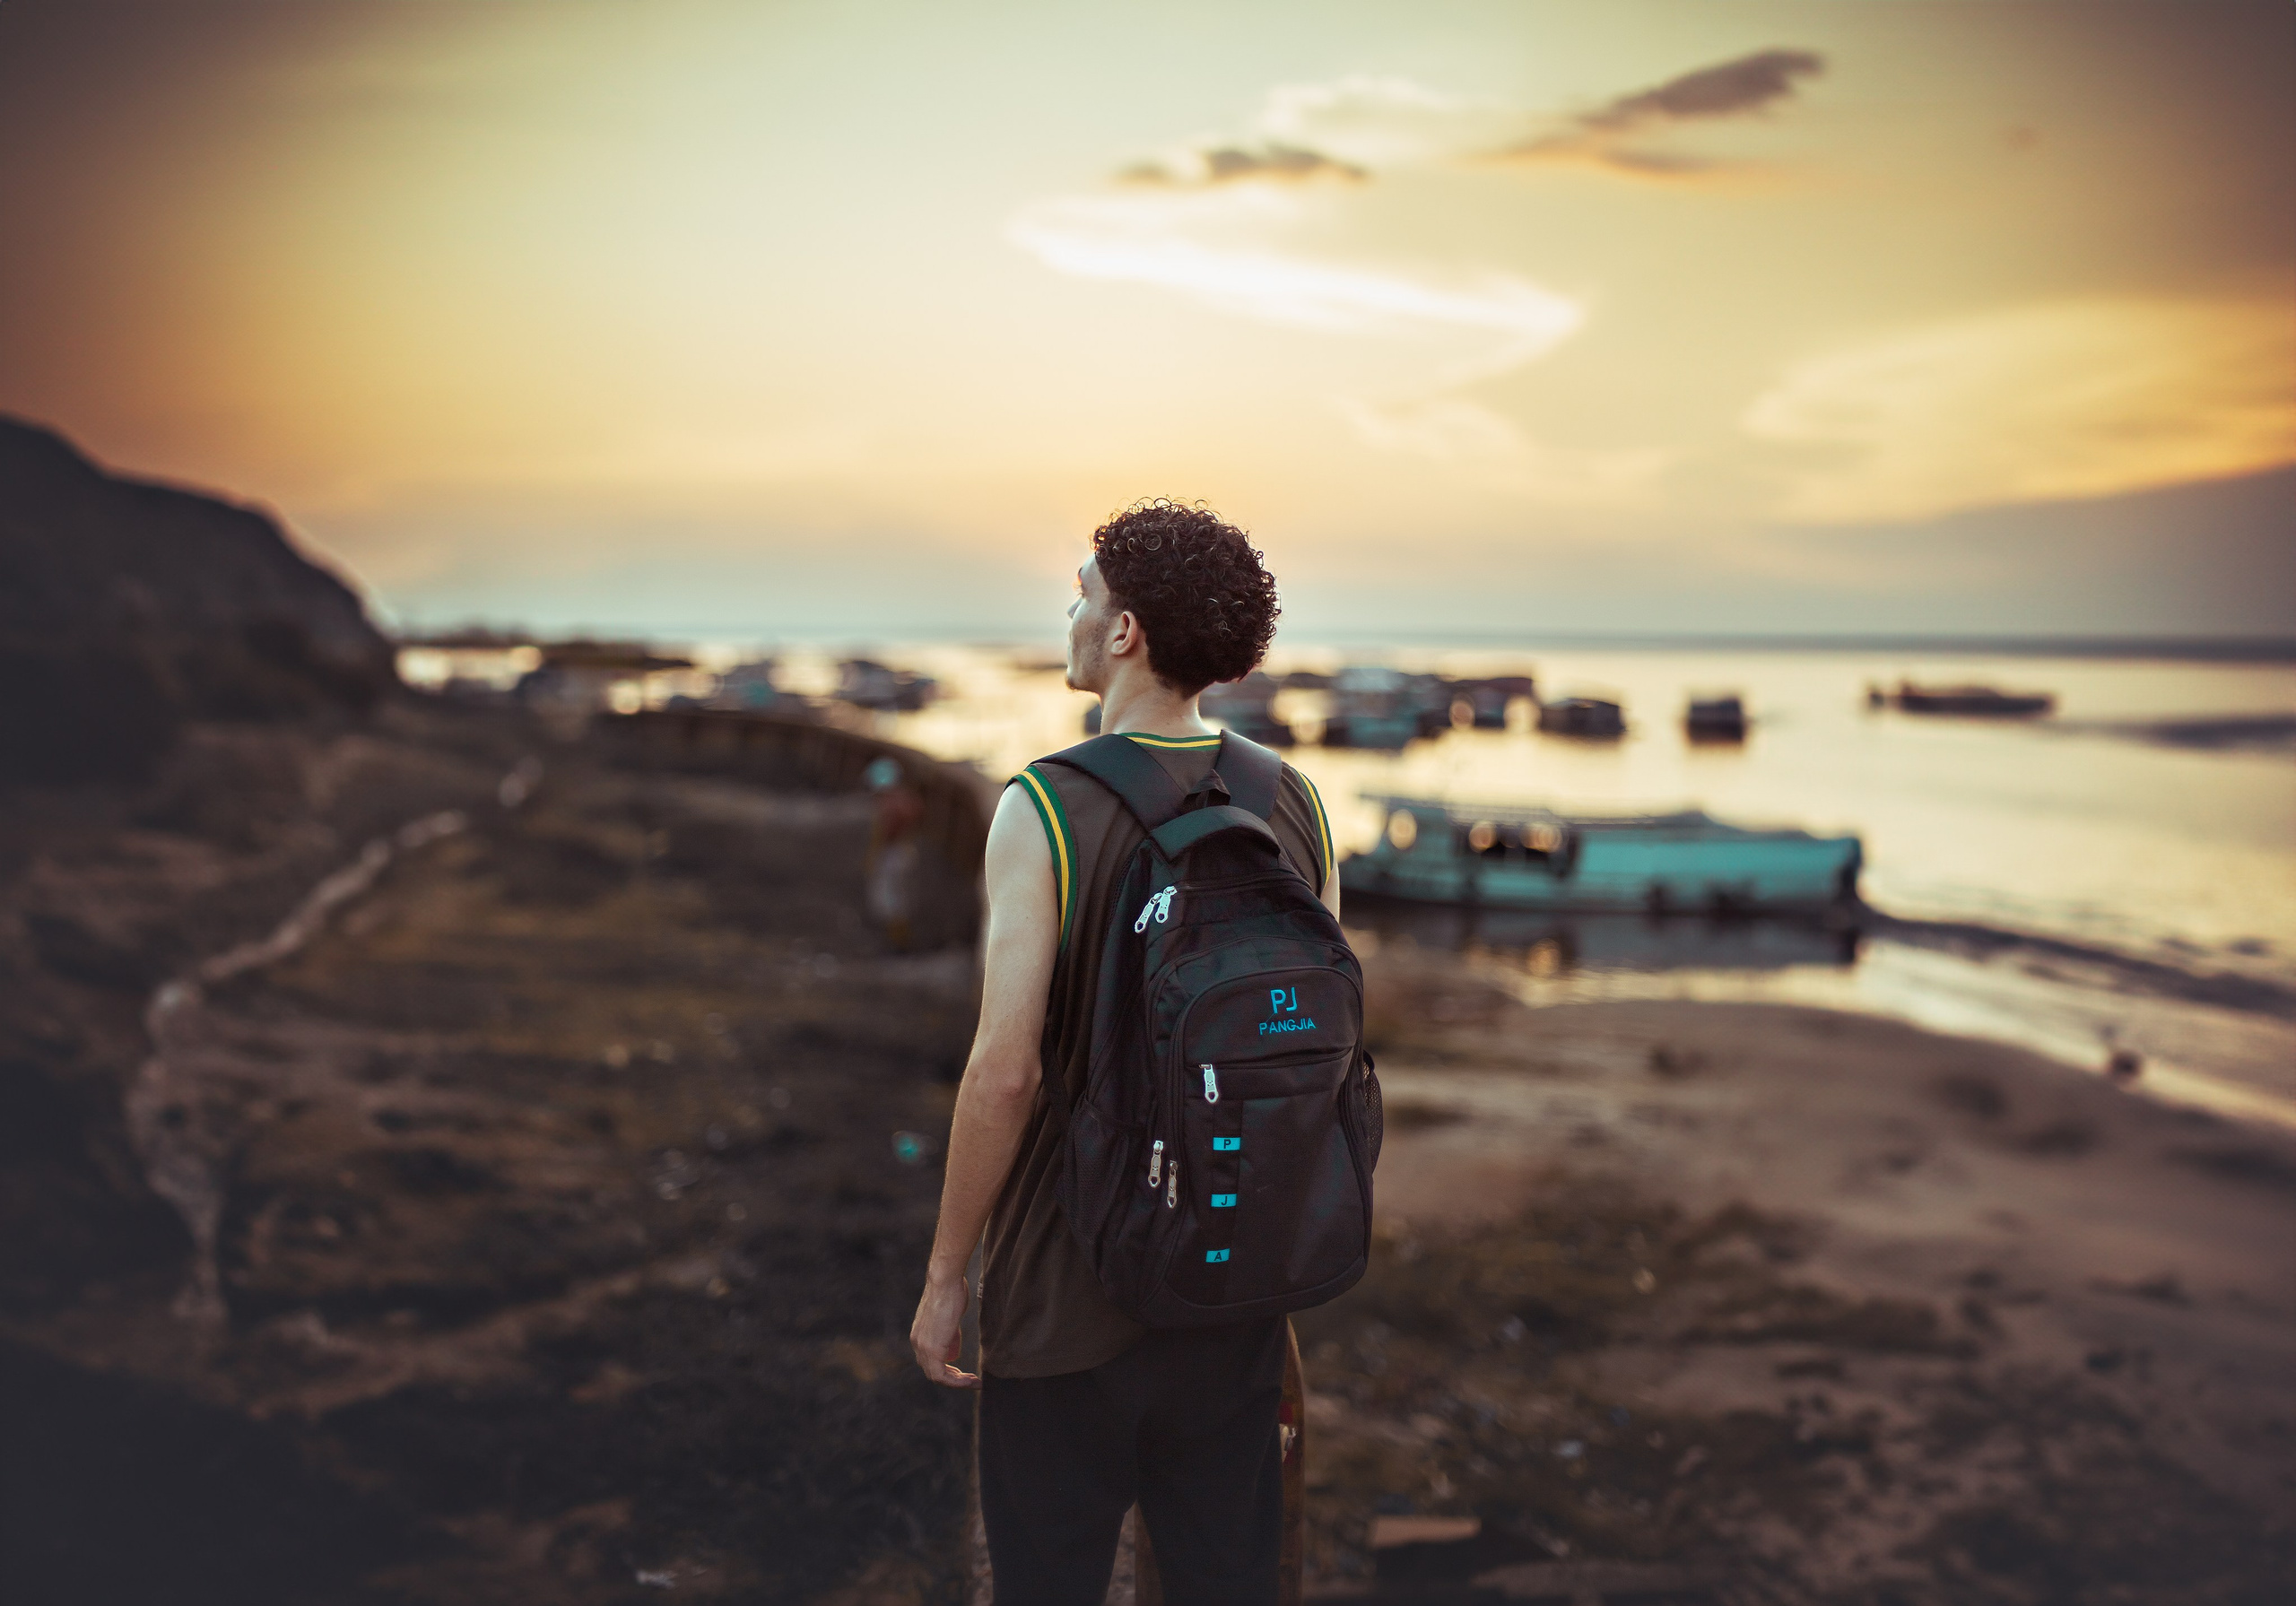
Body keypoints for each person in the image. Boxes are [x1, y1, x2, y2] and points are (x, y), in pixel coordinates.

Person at [909, 499, 1339, 1606]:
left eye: (1081, 594)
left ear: (1124, 633)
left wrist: (948, 1275)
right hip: (1236, 1287)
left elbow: (1006, 1071)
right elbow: (1314, 1065)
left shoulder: (1046, 806)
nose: (1068, 611)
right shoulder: (1293, 803)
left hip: (1066, 1296)